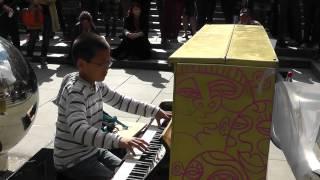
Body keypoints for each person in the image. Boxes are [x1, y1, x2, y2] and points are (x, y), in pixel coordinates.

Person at [54, 32, 172, 180]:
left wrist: (154, 111)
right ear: (81, 64)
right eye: (101, 63)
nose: (107, 67)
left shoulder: (97, 84)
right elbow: (79, 130)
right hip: (73, 161)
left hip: (93, 150)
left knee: (129, 168)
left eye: (108, 62)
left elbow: (122, 101)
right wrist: (120, 140)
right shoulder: (75, 92)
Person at [26, 0, 60, 69]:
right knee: (33, 36)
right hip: (35, 12)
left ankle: (43, 58)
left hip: (48, 13)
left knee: (46, 37)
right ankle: (29, 57)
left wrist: (38, 1)